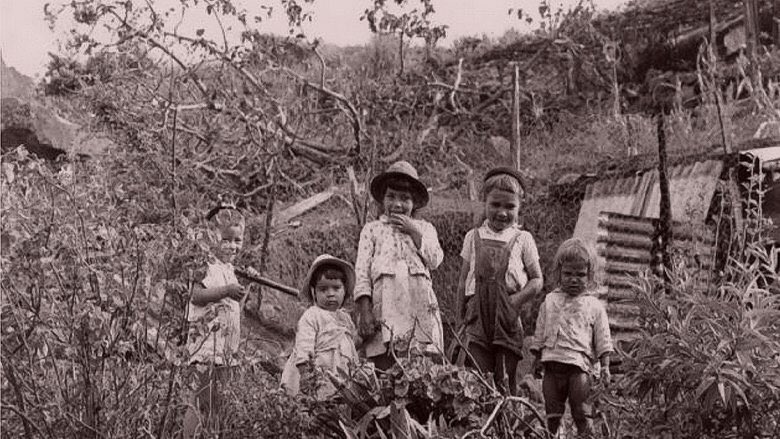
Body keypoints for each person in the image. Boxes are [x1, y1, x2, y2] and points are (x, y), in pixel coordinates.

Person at [455, 167, 543, 395]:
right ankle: (480, 424)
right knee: (475, 378)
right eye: (495, 204)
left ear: (519, 207)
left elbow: (537, 280)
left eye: (509, 206)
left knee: (505, 378)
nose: (502, 212)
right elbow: (463, 280)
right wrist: (459, 318)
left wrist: (515, 301)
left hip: (506, 316)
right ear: (484, 202)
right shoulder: (472, 236)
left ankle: (507, 424)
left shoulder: (523, 239)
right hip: (477, 316)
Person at [354, 160, 444, 370]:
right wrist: (365, 311)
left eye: (405, 198)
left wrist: (414, 232)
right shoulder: (372, 229)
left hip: (417, 301)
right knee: (385, 362)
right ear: (382, 199)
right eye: (391, 197)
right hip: (384, 303)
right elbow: (362, 272)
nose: (397, 204)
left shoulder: (425, 228)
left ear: (415, 203)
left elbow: (436, 260)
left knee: (420, 360)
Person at [530, 238, 613, 437]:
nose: (573, 279)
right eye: (568, 274)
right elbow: (540, 331)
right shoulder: (550, 300)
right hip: (552, 368)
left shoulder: (594, 305)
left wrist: (605, 367)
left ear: (590, 275)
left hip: (580, 369)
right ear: (559, 273)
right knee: (552, 415)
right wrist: (536, 359)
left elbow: (603, 338)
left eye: (580, 275)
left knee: (581, 413)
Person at [183, 202, 252, 438]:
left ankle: (212, 434)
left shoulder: (228, 268)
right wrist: (225, 291)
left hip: (226, 349)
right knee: (202, 399)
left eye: (237, 240)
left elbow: (233, 304)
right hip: (207, 347)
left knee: (218, 401)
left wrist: (244, 287)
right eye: (226, 239)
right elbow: (195, 295)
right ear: (211, 237)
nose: (232, 246)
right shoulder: (205, 264)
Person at [280, 254, 360, 399]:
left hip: (341, 374)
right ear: (314, 292)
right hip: (319, 373)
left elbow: (353, 343)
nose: (330, 294)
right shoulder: (312, 316)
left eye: (336, 288)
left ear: (345, 290)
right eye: (323, 289)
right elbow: (304, 347)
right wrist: (306, 374)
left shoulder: (345, 318)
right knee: (317, 403)